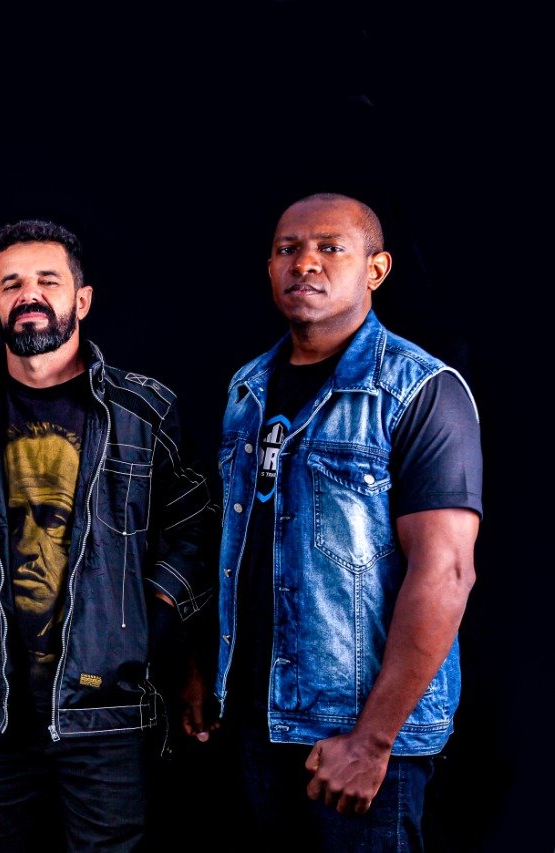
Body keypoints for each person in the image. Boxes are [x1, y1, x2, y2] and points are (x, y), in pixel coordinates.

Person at [0, 219, 216, 851]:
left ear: (83, 299)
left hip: (110, 710)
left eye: (48, 280)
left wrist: (148, 617)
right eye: (12, 284)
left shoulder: (143, 411)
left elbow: (196, 527)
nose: (30, 294)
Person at [211, 192, 482, 849]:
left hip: (356, 741)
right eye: (288, 249)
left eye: (330, 247)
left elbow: (445, 573)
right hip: (253, 726)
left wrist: (372, 739)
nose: (305, 262)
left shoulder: (419, 390)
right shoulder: (247, 388)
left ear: (376, 269)